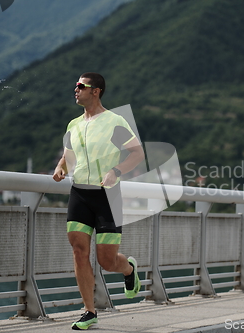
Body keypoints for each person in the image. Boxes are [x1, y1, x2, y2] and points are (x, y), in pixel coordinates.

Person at [53, 72, 144, 330]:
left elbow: (137, 153)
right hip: (80, 194)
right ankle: (89, 311)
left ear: (96, 91)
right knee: (79, 252)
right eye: (75, 85)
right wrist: (61, 167)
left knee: (106, 260)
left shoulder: (114, 122)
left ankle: (128, 270)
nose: (76, 89)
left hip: (108, 195)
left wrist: (116, 171)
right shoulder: (74, 124)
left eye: (81, 86)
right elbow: (68, 156)